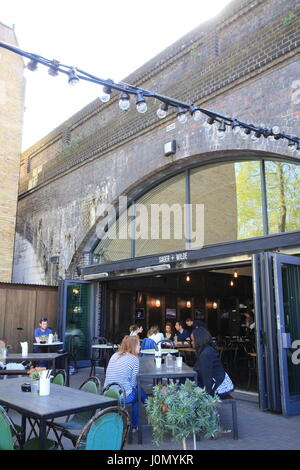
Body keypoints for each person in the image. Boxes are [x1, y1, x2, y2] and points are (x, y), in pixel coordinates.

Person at [104, 335, 147, 430]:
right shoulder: (134, 359)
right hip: (122, 395)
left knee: (138, 391)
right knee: (138, 393)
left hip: (108, 393)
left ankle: (150, 407)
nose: (140, 347)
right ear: (133, 346)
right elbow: (133, 384)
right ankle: (135, 425)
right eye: (138, 345)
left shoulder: (115, 355)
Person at [192, 327, 234, 399]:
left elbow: (207, 378)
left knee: (185, 384)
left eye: (192, 340)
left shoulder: (205, 354)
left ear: (198, 340)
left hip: (220, 388)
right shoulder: (207, 349)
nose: (191, 342)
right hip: (220, 383)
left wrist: (208, 400)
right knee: (187, 381)